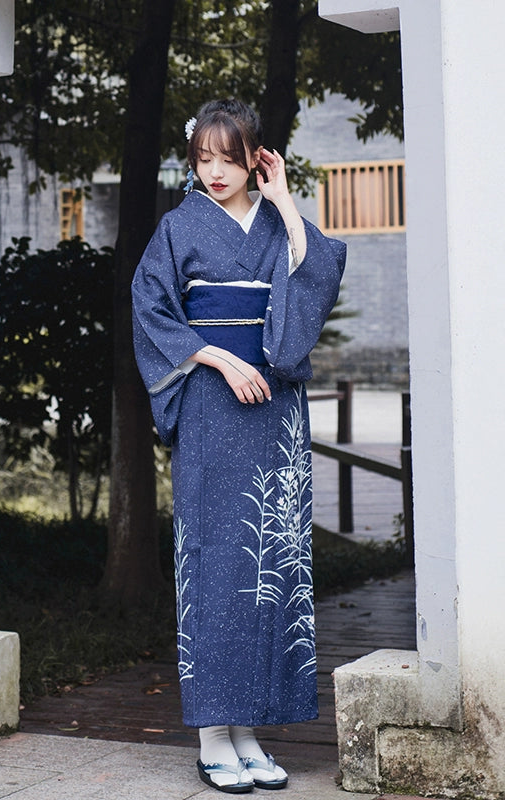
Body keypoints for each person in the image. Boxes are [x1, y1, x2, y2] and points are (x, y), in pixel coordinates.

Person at [131, 99, 346, 793]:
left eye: (230, 158)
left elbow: (315, 280)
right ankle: (212, 734)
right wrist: (221, 361)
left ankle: (249, 728)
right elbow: (151, 308)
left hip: (275, 410)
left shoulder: (275, 220)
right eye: (204, 159)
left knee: (272, 561)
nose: (216, 172)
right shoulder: (177, 228)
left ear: (256, 156)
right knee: (216, 557)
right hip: (212, 404)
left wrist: (284, 201)